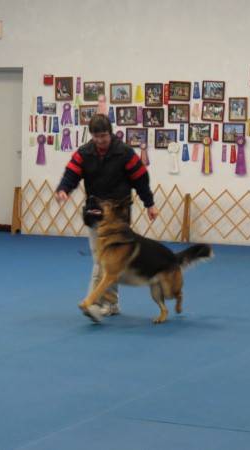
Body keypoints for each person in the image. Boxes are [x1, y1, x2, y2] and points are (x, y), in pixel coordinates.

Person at [55, 114, 159, 318]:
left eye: (103, 136)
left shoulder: (125, 153)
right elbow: (71, 173)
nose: (100, 140)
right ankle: (107, 303)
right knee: (100, 260)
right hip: (95, 213)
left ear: (110, 133)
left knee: (108, 262)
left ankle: (99, 303)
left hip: (119, 216)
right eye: (96, 136)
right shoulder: (84, 153)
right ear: (91, 135)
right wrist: (63, 189)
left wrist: (150, 204)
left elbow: (141, 180)